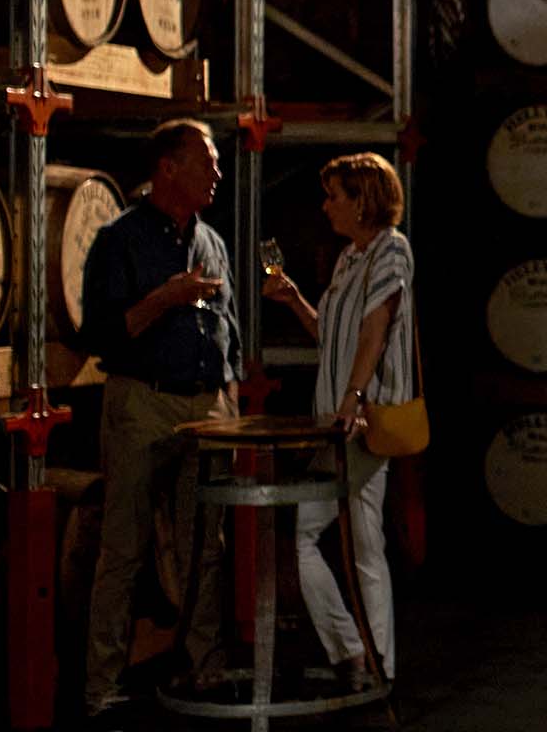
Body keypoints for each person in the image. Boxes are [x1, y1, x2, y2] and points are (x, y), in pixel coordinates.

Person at [77, 118, 241, 721]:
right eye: (207, 162)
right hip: (143, 402)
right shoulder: (120, 240)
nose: (218, 173)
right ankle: (102, 687)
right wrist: (165, 298)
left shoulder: (212, 241)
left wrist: (230, 390)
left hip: (207, 404)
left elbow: (229, 325)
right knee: (123, 549)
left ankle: (206, 667)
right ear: (167, 168)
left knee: (207, 547)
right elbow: (99, 334)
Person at [262, 152, 413, 692]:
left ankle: (373, 662)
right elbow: (334, 334)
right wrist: (294, 299)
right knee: (321, 537)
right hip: (336, 420)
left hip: (361, 420)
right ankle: (359, 654)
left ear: (362, 200)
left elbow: (375, 328)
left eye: (335, 196)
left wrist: (352, 397)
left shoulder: (391, 251)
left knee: (357, 540)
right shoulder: (351, 257)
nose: (326, 206)